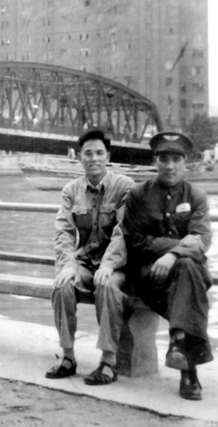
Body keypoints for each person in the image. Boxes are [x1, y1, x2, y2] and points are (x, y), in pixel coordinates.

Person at [120, 131, 213, 401]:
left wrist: (172, 255)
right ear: (155, 161)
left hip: (183, 273)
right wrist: (177, 247)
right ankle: (188, 371)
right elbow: (134, 240)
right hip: (149, 276)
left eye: (176, 159)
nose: (169, 166)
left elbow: (202, 239)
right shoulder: (139, 194)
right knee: (189, 276)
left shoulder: (196, 196)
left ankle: (180, 343)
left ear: (185, 163)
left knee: (186, 270)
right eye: (164, 159)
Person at [45, 129, 133, 385]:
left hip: (117, 265)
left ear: (108, 157)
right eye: (88, 153)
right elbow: (63, 232)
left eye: (99, 153)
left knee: (106, 284)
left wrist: (108, 264)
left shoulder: (125, 187)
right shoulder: (70, 190)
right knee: (62, 285)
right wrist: (68, 265)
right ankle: (68, 357)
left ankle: (108, 362)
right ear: (79, 157)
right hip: (85, 262)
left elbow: (123, 231)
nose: (94, 159)